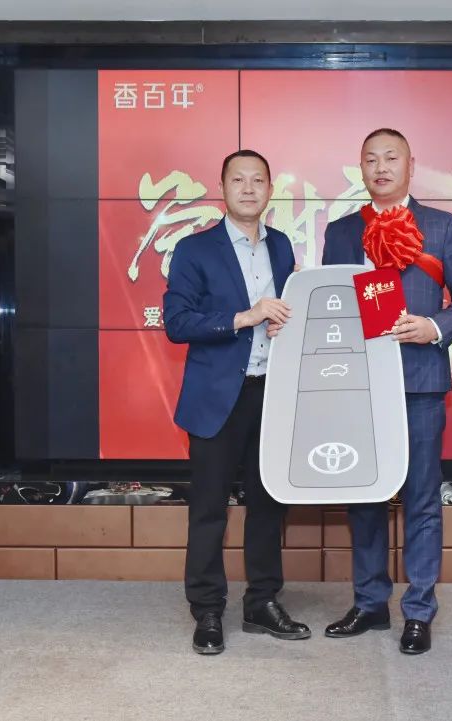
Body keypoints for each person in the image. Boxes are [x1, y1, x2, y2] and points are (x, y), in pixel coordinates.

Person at [321, 128, 452, 655]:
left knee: (421, 499)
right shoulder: (342, 231)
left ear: (410, 165)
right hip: (359, 385)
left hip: (419, 382)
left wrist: (433, 327)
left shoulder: (441, 226)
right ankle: (370, 603)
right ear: (361, 169)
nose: (381, 167)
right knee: (365, 498)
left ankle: (418, 611)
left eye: (391, 157)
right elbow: (330, 303)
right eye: (370, 159)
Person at [163, 149, 310, 655]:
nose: (248, 189)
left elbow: (290, 314)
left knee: (269, 504)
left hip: (272, 393)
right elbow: (177, 323)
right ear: (222, 188)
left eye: (258, 180)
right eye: (238, 180)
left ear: (270, 190)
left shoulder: (282, 246)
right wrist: (245, 316)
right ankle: (207, 609)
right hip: (216, 397)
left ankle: (262, 602)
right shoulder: (194, 249)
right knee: (209, 508)